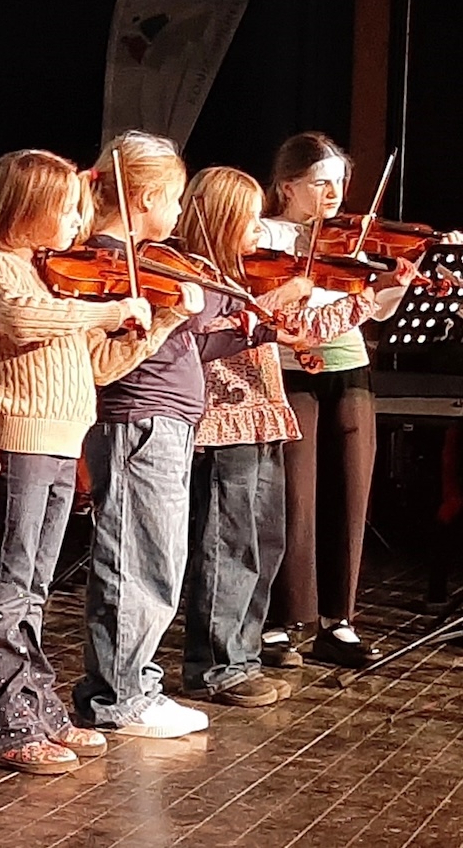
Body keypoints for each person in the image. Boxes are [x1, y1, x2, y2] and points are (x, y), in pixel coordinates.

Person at [0, 149, 179, 773]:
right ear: (25, 208)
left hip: (65, 440)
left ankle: (36, 703)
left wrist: (159, 323)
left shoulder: (54, 279)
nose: (77, 220)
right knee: (9, 587)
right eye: (65, 208)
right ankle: (4, 723)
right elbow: (24, 320)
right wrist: (112, 311)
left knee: (37, 588)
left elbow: (97, 365)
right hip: (21, 441)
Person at [71, 131, 266, 739]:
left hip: (165, 420)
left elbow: (198, 328)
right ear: (145, 197)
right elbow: (180, 320)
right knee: (139, 556)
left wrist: (251, 325)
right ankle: (121, 695)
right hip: (139, 417)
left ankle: (131, 683)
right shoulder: (109, 257)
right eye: (175, 200)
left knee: (160, 556)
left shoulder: (150, 259)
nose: (181, 214)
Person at [175, 165, 362, 706]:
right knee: (226, 546)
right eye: (248, 218)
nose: (259, 229)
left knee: (264, 542)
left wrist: (363, 296)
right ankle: (216, 665)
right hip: (223, 421)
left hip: (262, 417)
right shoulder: (202, 279)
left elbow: (299, 331)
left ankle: (245, 651)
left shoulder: (247, 277)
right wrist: (280, 297)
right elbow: (210, 335)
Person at [258, 133, 418, 669]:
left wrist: (398, 280)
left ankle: (338, 622)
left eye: (340, 181)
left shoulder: (352, 237)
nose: (334, 192)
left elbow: (376, 312)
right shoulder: (267, 234)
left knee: (350, 492)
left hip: (349, 366)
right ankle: (282, 621)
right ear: (287, 186)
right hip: (292, 370)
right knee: (295, 497)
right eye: (320, 182)